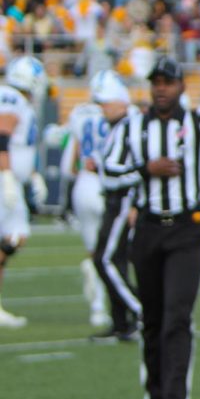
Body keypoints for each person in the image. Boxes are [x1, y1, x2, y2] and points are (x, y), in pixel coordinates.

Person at [103, 54, 200, 399]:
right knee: (152, 318)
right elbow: (108, 170)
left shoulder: (196, 122)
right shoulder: (133, 126)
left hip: (186, 228)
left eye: (168, 82)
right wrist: (143, 170)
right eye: (156, 82)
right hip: (148, 228)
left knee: (177, 316)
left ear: (181, 86)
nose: (161, 88)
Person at [80, 71, 142, 341]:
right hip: (114, 198)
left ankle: (142, 311)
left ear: (120, 102)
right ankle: (121, 323)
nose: (103, 108)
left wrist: (136, 202)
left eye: (106, 103)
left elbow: (139, 168)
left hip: (124, 198)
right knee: (113, 259)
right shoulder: (118, 127)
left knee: (103, 259)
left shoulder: (132, 125)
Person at [61, 70, 119, 328]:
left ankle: (98, 310)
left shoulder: (79, 113)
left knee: (95, 250)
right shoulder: (121, 115)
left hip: (84, 184)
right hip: (110, 184)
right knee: (117, 251)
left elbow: (67, 167)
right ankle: (123, 308)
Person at [0, 56, 48, 329]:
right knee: (14, 235)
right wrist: (7, 175)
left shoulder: (20, 101)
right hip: (3, 180)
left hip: (11, 180)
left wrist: (31, 175)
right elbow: (2, 137)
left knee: (14, 237)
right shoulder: (10, 97)